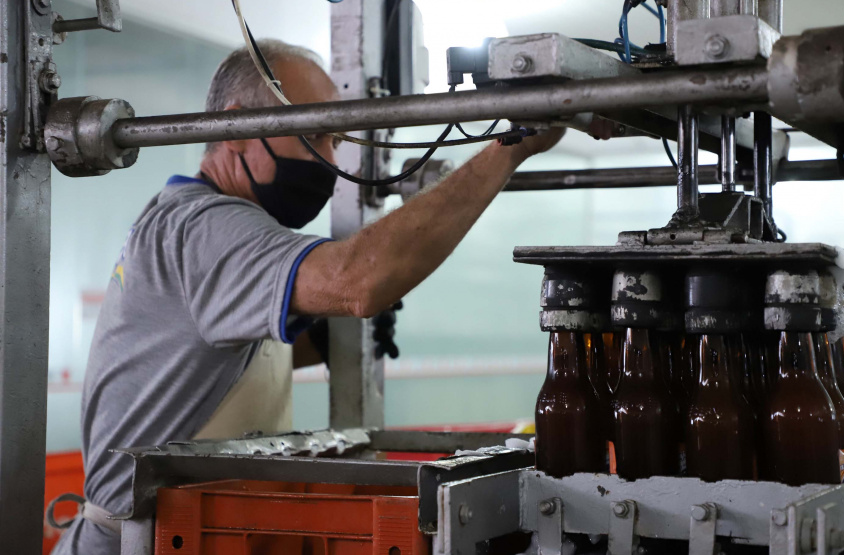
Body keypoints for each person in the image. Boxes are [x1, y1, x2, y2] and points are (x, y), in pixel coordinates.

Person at [51, 39, 610, 554]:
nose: (330, 161)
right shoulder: (204, 227)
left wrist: (327, 338)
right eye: (314, 135)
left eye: (336, 140)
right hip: (142, 539)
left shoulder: (214, 228)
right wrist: (506, 150)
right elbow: (358, 279)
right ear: (239, 128)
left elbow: (208, 367)